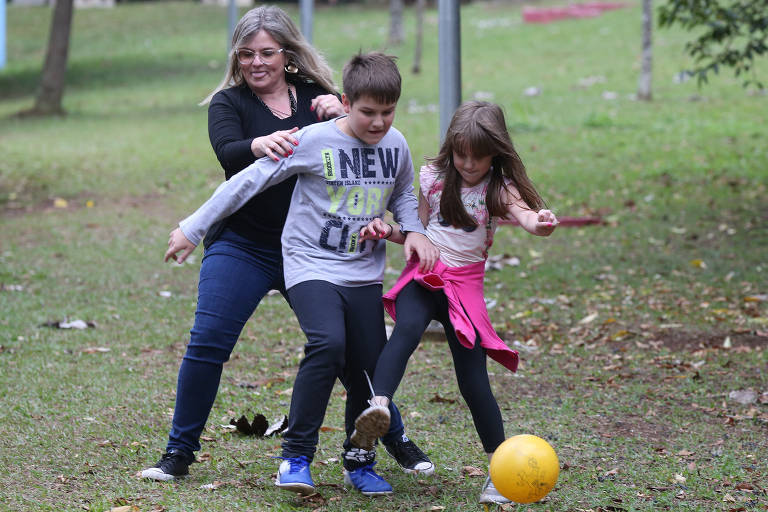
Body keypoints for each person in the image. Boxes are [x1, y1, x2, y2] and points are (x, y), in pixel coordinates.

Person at [140, 7, 433, 483]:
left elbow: (370, 140)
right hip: (247, 244)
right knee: (210, 342)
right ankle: (179, 452)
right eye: (247, 53)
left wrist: (349, 116)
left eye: (268, 52)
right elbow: (233, 158)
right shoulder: (228, 103)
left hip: (324, 252)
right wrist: (260, 146)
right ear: (237, 57)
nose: (257, 62)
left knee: (353, 353)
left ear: (287, 52)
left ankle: (384, 438)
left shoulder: (324, 99)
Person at [351, 101, 558, 504]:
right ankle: (378, 409)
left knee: (472, 379)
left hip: (464, 289)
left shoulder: (498, 188)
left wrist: (542, 222)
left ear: (495, 152)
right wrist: (388, 231)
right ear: (451, 148)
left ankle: (499, 469)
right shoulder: (433, 177)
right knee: (406, 331)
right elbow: (419, 229)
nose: (467, 163)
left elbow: (528, 217)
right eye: (460, 154)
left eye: (477, 157)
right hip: (425, 275)